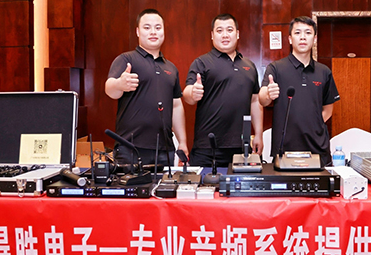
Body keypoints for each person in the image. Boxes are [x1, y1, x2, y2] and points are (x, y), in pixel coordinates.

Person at [105, 9, 188, 166]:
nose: (153, 32)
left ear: (163, 31)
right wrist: (120, 84)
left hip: (164, 150)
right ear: (138, 31)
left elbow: (176, 105)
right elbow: (110, 89)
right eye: (147, 27)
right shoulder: (126, 59)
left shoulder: (171, 68)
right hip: (130, 149)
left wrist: (182, 142)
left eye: (158, 27)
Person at [182, 14, 263, 167]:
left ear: (237, 34)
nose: (225, 35)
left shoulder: (249, 66)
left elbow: (255, 100)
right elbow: (187, 94)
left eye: (229, 30)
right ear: (212, 35)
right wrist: (192, 93)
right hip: (207, 148)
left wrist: (258, 134)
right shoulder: (201, 63)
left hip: (241, 147)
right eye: (219, 31)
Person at [259, 16, 340, 167]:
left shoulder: (324, 72)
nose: (302, 37)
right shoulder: (276, 68)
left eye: (308, 33)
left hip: (317, 149)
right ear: (290, 39)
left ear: (314, 39)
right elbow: (262, 99)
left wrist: (312, 125)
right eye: (297, 33)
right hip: (285, 149)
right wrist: (268, 94)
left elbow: (328, 109)